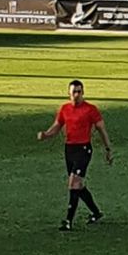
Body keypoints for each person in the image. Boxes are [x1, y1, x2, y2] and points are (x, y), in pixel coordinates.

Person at [36, 79, 113, 231]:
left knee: (73, 184)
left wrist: (108, 149)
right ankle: (96, 212)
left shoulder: (91, 110)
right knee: (78, 185)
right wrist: (45, 135)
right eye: (74, 92)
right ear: (69, 94)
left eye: (79, 92)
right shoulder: (64, 109)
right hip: (69, 149)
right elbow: (57, 127)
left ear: (83, 92)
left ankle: (68, 221)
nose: (77, 95)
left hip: (84, 149)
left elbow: (101, 129)